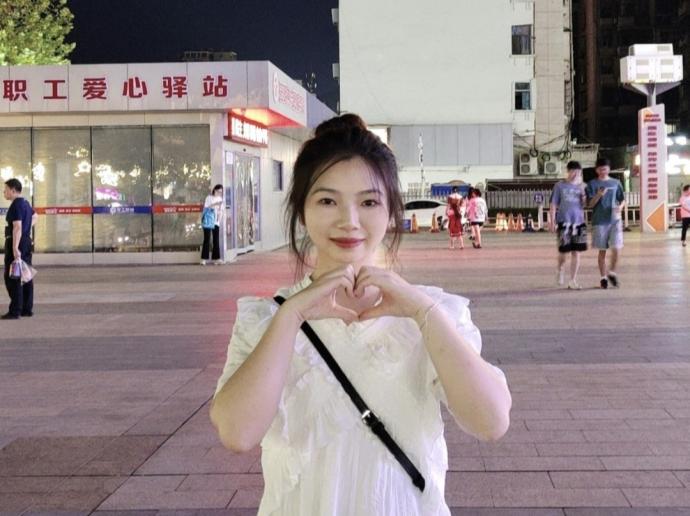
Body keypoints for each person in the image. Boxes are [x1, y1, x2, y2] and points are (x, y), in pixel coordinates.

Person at [210, 114, 511, 515]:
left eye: (368, 202)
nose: (348, 221)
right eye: (327, 201)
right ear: (301, 210)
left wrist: (423, 312)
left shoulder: (434, 311)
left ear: (391, 211)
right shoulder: (266, 317)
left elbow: (491, 422)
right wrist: (292, 314)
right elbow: (237, 433)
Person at [586, 157, 626, 289]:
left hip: (615, 220)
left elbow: (622, 199)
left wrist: (620, 207)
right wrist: (598, 195)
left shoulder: (616, 183)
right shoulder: (592, 184)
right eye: (600, 169)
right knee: (602, 250)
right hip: (599, 221)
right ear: (596, 170)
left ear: (609, 169)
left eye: (605, 169)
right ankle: (603, 277)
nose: (603, 171)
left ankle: (612, 272)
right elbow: (590, 204)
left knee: (617, 248)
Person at [549, 161, 588, 289]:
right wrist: (552, 221)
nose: (575, 174)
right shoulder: (559, 186)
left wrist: (583, 195)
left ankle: (573, 280)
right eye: (572, 171)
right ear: (568, 171)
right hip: (564, 222)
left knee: (576, 252)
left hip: (579, 223)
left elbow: (585, 204)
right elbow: (553, 204)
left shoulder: (583, 186)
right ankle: (560, 268)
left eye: (577, 172)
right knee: (564, 252)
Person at [3, 178, 34, 320]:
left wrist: (15, 248)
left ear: (13, 190)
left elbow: (17, 227)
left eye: (6, 190)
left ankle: (15, 310)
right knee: (26, 275)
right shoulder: (26, 203)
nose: (4, 192)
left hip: (17, 242)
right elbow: (35, 216)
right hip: (26, 241)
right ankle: (26, 309)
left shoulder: (16, 205)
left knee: (13, 277)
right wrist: (27, 229)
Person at [201, 184, 224, 265]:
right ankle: (204, 259)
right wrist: (215, 204)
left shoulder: (220, 199)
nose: (219, 193)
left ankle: (216, 258)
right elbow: (206, 208)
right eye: (218, 191)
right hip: (208, 221)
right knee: (207, 239)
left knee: (216, 240)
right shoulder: (209, 198)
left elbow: (221, 210)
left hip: (216, 222)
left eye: (220, 192)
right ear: (214, 190)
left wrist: (219, 220)